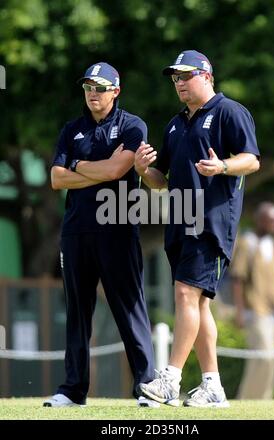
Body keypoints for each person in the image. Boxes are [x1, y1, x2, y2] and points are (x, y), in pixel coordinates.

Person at [134, 50, 260, 407]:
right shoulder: (175, 124)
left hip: (212, 223)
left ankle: (169, 380)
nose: (179, 84)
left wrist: (221, 166)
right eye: (175, 79)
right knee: (198, 304)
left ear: (206, 76)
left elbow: (251, 159)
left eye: (185, 76)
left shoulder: (230, 112)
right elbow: (162, 181)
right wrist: (144, 170)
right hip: (179, 221)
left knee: (186, 295)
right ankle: (213, 386)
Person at [43, 62, 158, 408]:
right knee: (78, 311)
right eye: (89, 87)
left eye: (101, 87)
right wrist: (88, 171)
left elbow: (116, 169)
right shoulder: (71, 129)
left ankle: (147, 384)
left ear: (115, 91)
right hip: (76, 230)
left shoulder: (132, 125)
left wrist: (77, 166)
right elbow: (56, 179)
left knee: (129, 306)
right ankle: (73, 389)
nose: (93, 93)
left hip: (118, 227)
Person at [230, 202, 274, 399]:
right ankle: (246, 400)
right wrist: (239, 312)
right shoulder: (247, 243)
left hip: (271, 312)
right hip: (254, 311)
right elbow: (237, 279)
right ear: (260, 220)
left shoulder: (271, 245)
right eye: (272, 221)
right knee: (265, 357)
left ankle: (263, 400)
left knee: (268, 360)